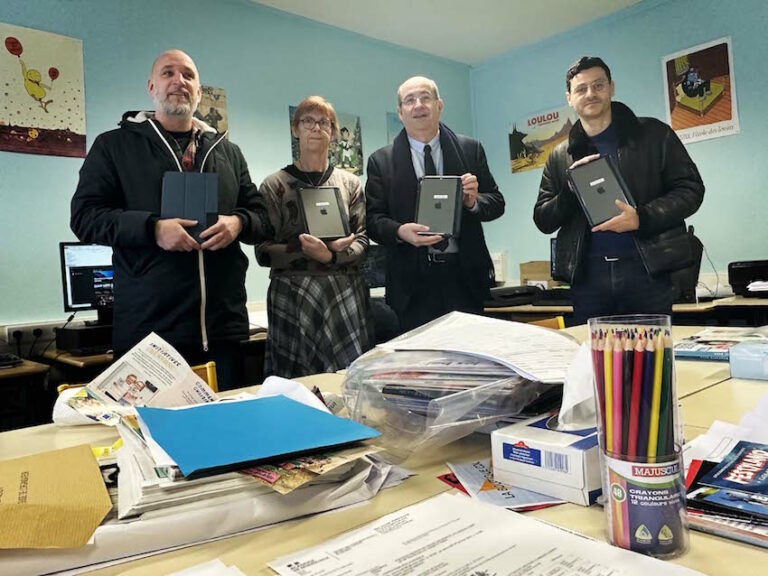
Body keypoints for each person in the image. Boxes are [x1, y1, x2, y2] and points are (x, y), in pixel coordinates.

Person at [71, 49, 270, 390]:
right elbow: (85, 217)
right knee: (151, 439)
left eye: (188, 75)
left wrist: (238, 223)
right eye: (168, 73)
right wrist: (153, 229)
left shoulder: (228, 152)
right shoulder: (113, 146)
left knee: (227, 437)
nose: (179, 81)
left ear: (199, 93)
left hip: (222, 331)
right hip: (149, 335)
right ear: (151, 87)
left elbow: (263, 216)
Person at [534, 56, 705, 324]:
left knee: (650, 360)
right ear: (569, 98)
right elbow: (543, 219)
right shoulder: (559, 156)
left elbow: (691, 189)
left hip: (647, 270)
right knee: (594, 363)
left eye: (598, 85)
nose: (590, 93)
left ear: (611, 88)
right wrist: (570, 191)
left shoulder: (654, 134)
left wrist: (642, 217)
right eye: (581, 89)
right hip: (588, 277)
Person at [366, 76, 505, 332]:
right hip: (412, 284)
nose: (418, 105)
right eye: (410, 100)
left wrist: (473, 202)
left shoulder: (470, 149)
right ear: (400, 112)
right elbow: (373, 221)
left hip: (464, 278)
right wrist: (399, 231)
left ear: (439, 105)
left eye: (425, 97)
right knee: (421, 365)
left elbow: (496, 202)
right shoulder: (380, 161)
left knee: (470, 361)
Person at [256, 96, 373, 378]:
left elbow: (363, 241)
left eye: (324, 122)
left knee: (346, 380)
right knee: (294, 382)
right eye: (307, 120)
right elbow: (262, 251)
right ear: (295, 129)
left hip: (343, 292)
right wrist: (306, 250)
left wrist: (331, 255)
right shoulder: (274, 185)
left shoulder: (350, 183)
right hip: (292, 294)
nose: (315, 127)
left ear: (333, 133)